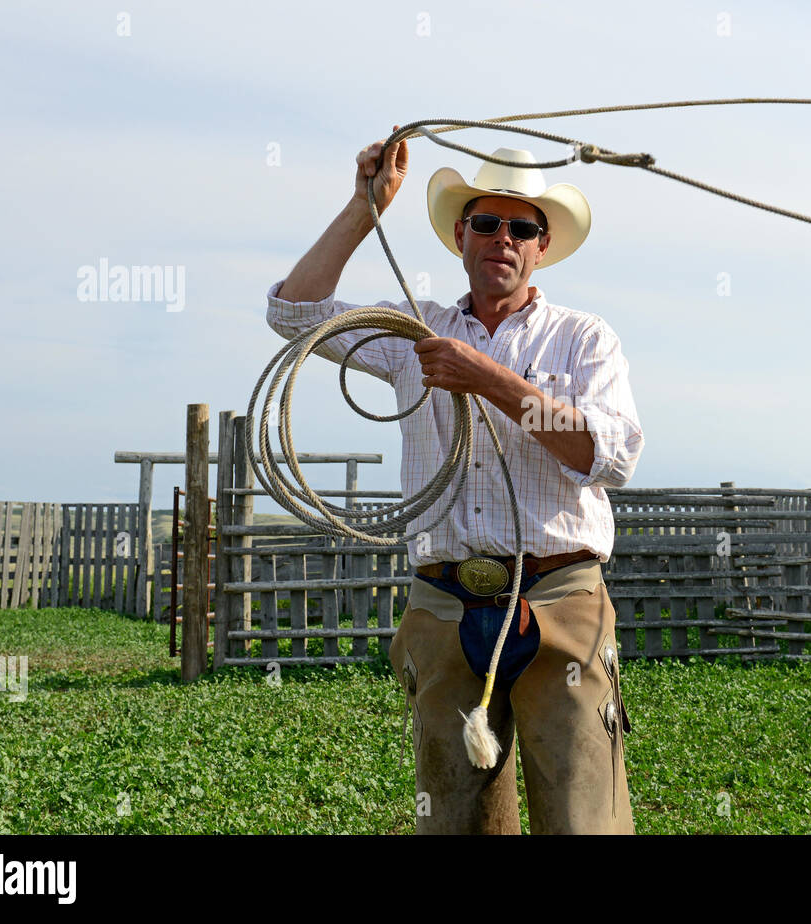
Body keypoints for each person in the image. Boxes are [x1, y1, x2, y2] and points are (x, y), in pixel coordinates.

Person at [265, 125, 645, 834]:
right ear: (462, 237)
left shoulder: (584, 337)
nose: (503, 237)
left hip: (560, 600)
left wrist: (488, 380)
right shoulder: (416, 331)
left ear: (543, 246)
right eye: (486, 223)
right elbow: (293, 312)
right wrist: (364, 208)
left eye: (521, 227)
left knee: (584, 814)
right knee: (452, 817)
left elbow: (611, 454)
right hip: (444, 603)